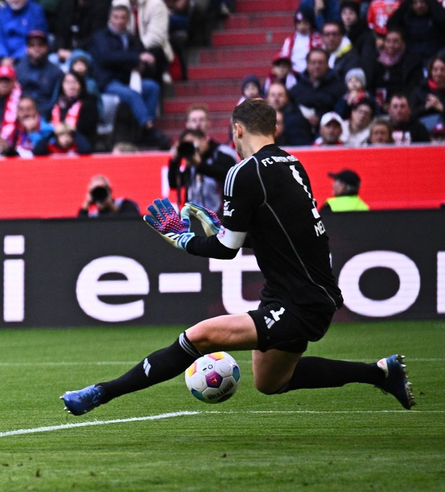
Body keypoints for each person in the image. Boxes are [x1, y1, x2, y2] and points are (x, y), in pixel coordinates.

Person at [61, 99, 414, 416]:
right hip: (297, 293)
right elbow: (277, 237)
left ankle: (100, 394)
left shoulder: (243, 171)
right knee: (271, 381)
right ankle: (381, 373)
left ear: (238, 129)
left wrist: (183, 239)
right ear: (273, 128)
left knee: (198, 337)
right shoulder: (293, 164)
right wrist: (227, 228)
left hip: (299, 301)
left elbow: (226, 250)